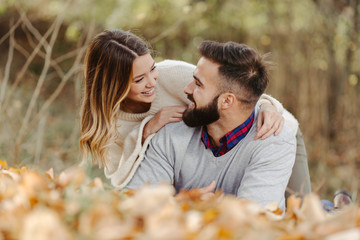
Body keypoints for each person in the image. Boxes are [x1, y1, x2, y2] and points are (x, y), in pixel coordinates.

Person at [80, 30, 310, 196]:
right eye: (140, 79)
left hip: (277, 128)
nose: (152, 82)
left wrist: (269, 107)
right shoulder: (108, 126)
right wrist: (146, 131)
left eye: (152, 69)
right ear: (114, 85)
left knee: (302, 212)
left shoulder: (173, 75)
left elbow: (238, 92)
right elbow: (122, 182)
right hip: (206, 142)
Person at [127, 41, 298, 210]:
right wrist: (183, 202)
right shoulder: (171, 131)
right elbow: (134, 202)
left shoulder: (273, 140)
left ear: (226, 101)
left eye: (198, 84)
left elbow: (254, 219)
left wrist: (201, 210)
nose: (187, 89)